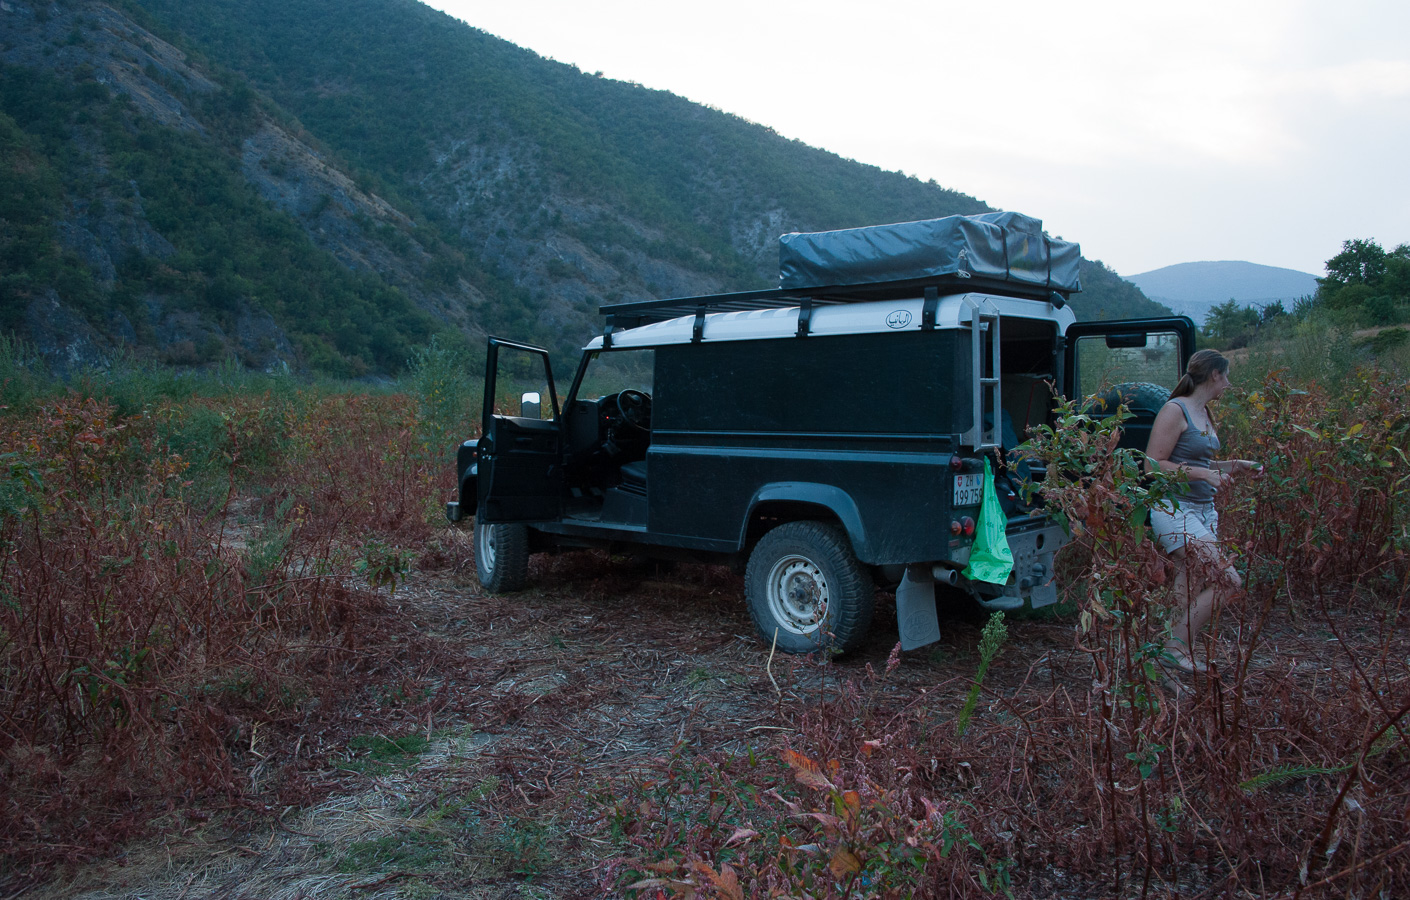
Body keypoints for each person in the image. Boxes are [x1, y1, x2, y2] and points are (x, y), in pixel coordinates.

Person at [1144, 349, 1261, 674]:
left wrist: (1235, 466)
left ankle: (1161, 667)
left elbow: (1199, 462)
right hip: (1175, 509)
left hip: (1203, 511)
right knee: (1229, 581)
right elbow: (1153, 465)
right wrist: (1203, 475)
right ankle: (1174, 649)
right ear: (1214, 375)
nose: (1228, 383)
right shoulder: (1175, 410)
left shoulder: (1204, 412)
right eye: (1226, 376)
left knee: (1188, 583)